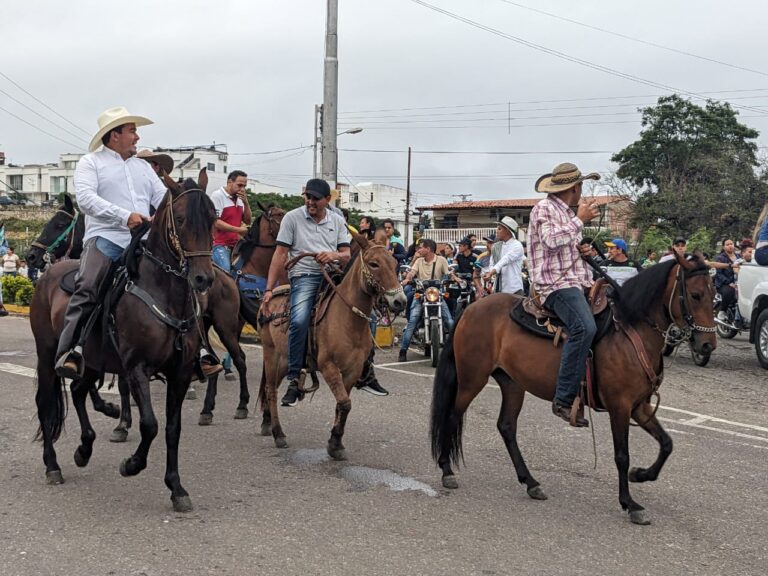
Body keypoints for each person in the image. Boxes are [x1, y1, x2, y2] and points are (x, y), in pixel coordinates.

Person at [53, 106, 204, 379]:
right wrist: (125, 216)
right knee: (87, 286)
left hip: (145, 241)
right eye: (132, 131)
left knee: (184, 282)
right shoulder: (91, 162)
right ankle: (70, 350)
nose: (136, 137)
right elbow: (85, 200)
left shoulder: (142, 168)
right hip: (107, 238)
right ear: (114, 136)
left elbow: (163, 201)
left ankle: (198, 352)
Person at [262, 178, 351, 407]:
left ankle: (367, 371)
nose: (310, 201)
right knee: (300, 319)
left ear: (327, 200)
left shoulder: (337, 220)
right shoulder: (292, 218)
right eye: (308, 197)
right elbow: (280, 254)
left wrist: (333, 255)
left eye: (315, 198)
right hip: (305, 276)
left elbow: (346, 254)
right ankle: (294, 376)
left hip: (334, 275)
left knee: (362, 311)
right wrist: (269, 289)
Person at [529, 162, 600, 427]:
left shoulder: (565, 212)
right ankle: (564, 398)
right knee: (584, 327)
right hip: (554, 285)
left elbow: (562, 246)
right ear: (575, 188)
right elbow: (549, 240)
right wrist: (580, 220)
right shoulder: (544, 208)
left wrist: (582, 251)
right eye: (581, 186)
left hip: (575, 280)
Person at [397, 238, 454, 362]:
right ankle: (403, 350)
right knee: (412, 321)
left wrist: (456, 279)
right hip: (421, 295)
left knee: (450, 321)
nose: (419, 249)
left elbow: (449, 273)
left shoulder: (441, 260)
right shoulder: (419, 261)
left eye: (421, 247)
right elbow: (412, 272)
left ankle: (457, 349)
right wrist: (407, 278)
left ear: (428, 249)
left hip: (437, 295)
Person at [210, 170, 252, 273]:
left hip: (236, 244)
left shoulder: (239, 199)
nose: (242, 189)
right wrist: (238, 230)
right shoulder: (217, 196)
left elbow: (247, 220)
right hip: (218, 244)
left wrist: (246, 203)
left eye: (244, 186)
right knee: (226, 272)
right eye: (239, 185)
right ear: (230, 182)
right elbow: (216, 222)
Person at [483, 216, 525, 295]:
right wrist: (488, 273)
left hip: (514, 289)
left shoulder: (517, 245)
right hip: (498, 289)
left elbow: (505, 260)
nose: (497, 231)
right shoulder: (496, 246)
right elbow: (492, 264)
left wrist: (491, 272)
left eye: (499, 229)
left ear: (507, 231)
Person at [714, 239, 740, 321]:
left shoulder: (739, 257)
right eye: (727, 244)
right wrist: (729, 283)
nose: (730, 246)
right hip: (723, 284)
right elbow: (719, 274)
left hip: (738, 282)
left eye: (731, 244)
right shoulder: (720, 258)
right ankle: (722, 311)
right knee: (730, 291)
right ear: (724, 247)